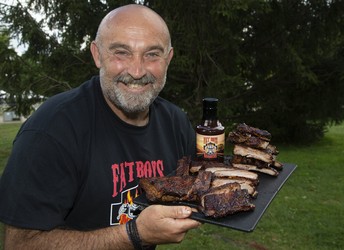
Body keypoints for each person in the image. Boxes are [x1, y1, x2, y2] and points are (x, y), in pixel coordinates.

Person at [0, 4, 201, 249]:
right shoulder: (52, 130)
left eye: (152, 54)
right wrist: (134, 234)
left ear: (168, 59)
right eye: (121, 52)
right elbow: (19, 244)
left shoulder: (175, 122)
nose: (137, 71)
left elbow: (202, 181)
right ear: (97, 55)